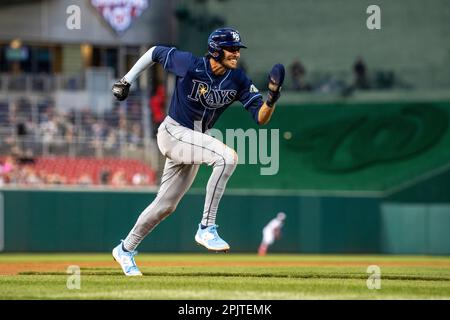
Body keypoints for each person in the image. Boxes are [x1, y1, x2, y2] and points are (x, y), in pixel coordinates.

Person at [111, 27, 285, 276]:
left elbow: (260, 118)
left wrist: (272, 98)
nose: (236, 53)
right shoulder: (190, 64)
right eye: (231, 48)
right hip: (173, 132)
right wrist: (126, 80)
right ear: (216, 49)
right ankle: (207, 226)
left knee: (165, 206)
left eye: (238, 49)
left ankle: (125, 250)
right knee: (227, 157)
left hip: (194, 140)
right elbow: (154, 52)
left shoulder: (237, 79)